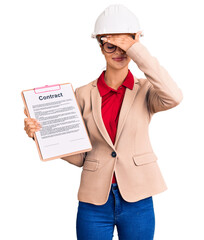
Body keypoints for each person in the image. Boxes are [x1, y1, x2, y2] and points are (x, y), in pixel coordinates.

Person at [24, 4, 183, 240]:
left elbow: (174, 96)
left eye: (125, 47)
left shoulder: (147, 91)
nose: (119, 53)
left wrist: (137, 50)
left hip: (138, 197)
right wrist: (42, 134)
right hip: (94, 201)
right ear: (100, 46)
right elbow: (79, 157)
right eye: (111, 46)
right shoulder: (81, 95)